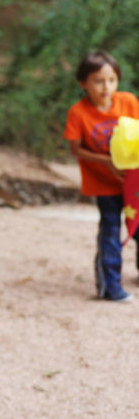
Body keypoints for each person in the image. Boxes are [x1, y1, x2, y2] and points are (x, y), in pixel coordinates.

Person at [63, 50, 139, 302]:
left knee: (138, 226)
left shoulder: (128, 102)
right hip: (103, 185)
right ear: (83, 83)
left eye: (111, 80)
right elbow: (76, 148)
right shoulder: (78, 112)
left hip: (132, 184)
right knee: (110, 231)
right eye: (98, 81)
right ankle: (110, 287)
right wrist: (107, 162)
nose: (106, 87)